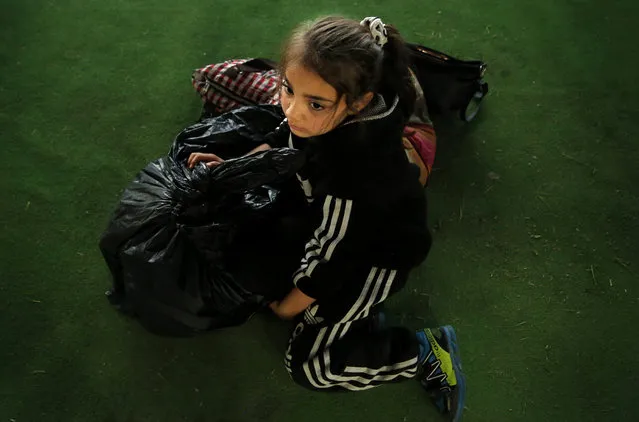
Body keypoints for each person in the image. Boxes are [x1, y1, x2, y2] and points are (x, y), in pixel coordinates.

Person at [189, 15, 465, 421]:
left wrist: (288, 306)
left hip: (374, 258)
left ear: (358, 103)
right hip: (334, 225)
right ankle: (354, 320)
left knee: (313, 367)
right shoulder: (322, 120)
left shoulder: (354, 177)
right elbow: (284, 144)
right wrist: (232, 166)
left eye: (314, 103)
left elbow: (333, 260)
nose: (293, 111)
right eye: (287, 89)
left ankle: (422, 354)